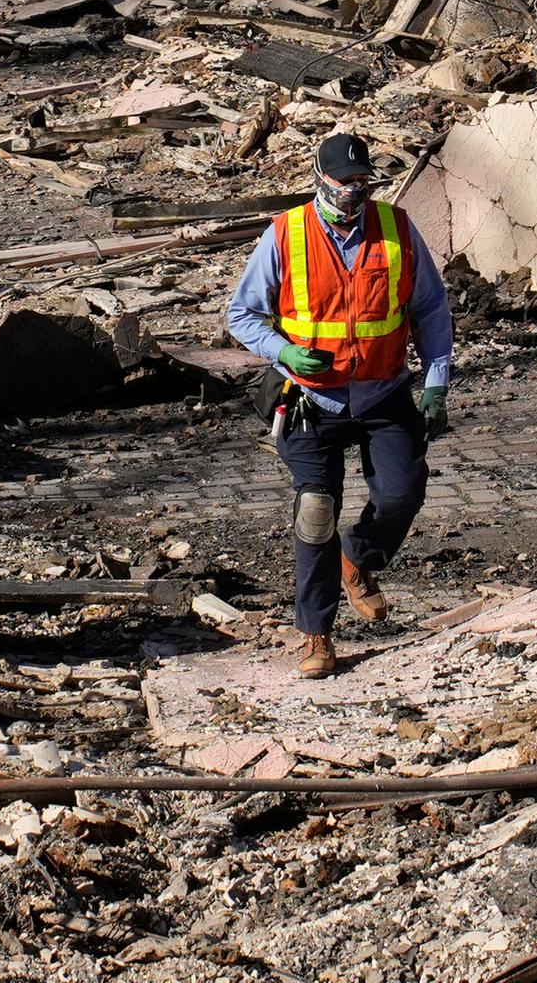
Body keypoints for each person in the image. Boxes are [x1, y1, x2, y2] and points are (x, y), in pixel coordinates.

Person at [220, 132, 451, 677]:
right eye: (344, 181)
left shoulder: (396, 230)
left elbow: (431, 311)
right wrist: (285, 355)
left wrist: (437, 382)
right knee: (315, 512)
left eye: (362, 180)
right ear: (319, 178)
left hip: (382, 390)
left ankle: (360, 558)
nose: (354, 191)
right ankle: (316, 635)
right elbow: (242, 314)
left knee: (402, 492)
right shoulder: (286, 235)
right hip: (309, 400)